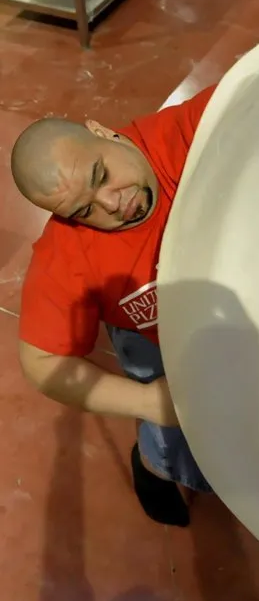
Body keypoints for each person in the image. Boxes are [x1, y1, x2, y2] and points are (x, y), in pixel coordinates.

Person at [10, 85, 217, 528]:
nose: (112, 204)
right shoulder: (68, 256)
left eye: (100, 175)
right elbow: (42, 362)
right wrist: (146, 400)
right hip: (157, 340)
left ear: (104, 131)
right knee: (176, 434)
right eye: (84, 209)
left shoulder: (194, 129)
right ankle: (154, 467)